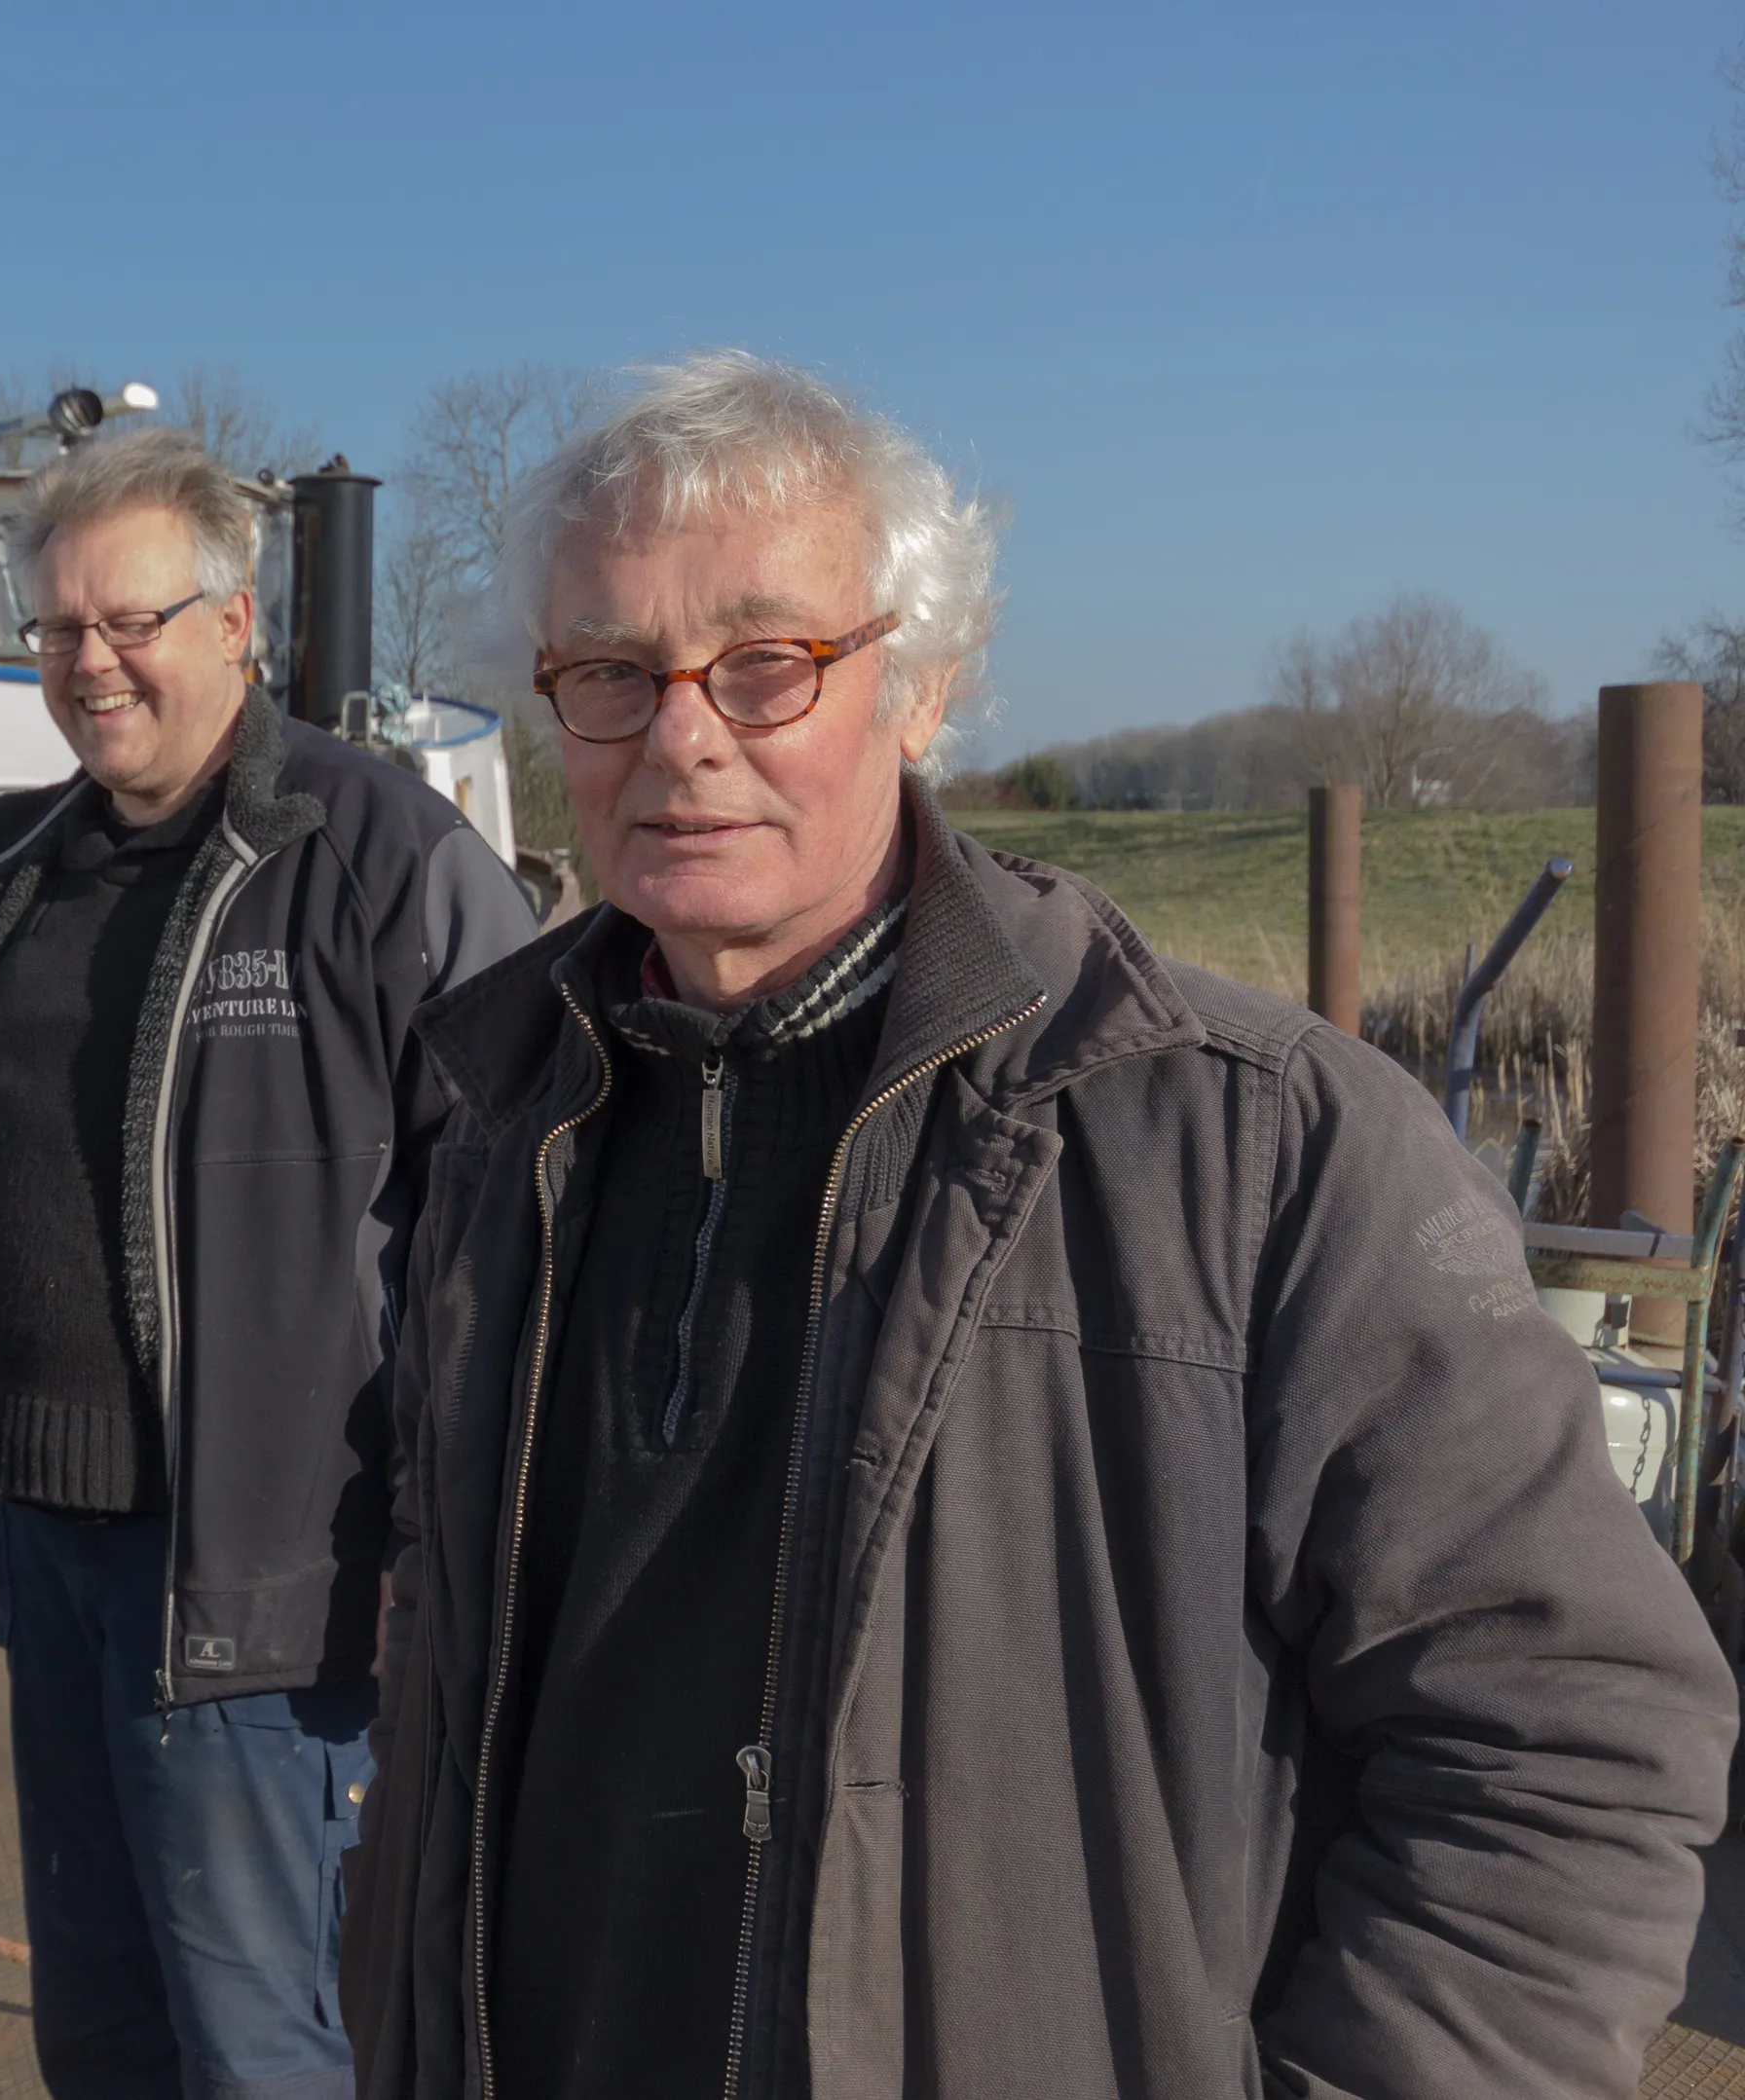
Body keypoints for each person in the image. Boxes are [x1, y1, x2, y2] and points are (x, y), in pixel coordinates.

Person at [341, 350, 1740, 2099]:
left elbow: (1570, 1733)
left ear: (920, 688)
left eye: (768, 664)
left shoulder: (1253, 1145)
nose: (684, 733)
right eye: (612, 672)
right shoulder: (498, 1111)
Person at [0, 428, 537, 2100]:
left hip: (261, 1581)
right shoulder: (13, 874)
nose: (89, 663)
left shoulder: (376, 859)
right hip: (48, 1552)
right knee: (103, 2030)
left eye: (131, 619)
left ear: (235, 622)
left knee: (263, 2042)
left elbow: (523, 1218)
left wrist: (435, 1530)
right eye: (55, 629)